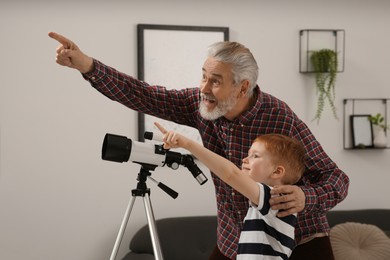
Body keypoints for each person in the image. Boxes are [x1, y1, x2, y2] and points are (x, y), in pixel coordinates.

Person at [48, 31, 350, 260]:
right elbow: (142, 94)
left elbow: (337, 179)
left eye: (215, 81)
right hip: (236, 240)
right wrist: (87, 65)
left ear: (243, 87)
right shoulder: (200, 104)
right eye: (203, 77)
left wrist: (305, 197)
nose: (204, 88)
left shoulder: (280, 118)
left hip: (300, 242)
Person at [155, 121, 305, 259]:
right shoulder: (264, 202)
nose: (245, 159)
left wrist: (188, 144)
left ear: (277, 172)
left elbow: (230, 174)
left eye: (255, 156)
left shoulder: (275, 198)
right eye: (248, 154)